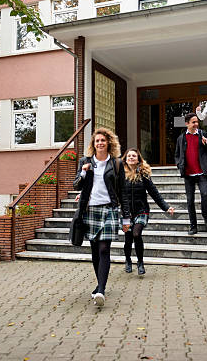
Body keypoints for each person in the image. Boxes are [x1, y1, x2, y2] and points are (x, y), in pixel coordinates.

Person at [73, 127, 130, 307]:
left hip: (110, 210)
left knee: (104, 249)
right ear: (93, 144)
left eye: (103, 140)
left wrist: (126, 218)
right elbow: (76, 186)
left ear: (108, 143)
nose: (100, 143)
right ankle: (100, 284)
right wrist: (83, 172)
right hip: (90, 210)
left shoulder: (116, 164)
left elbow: (123, 191)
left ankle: (101, 290)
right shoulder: (85, 161)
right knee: (95, 251)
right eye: (97, 141)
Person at [121, 148, 175, 275]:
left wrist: (166, 207)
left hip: (141, 211)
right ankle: (128, 260)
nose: (131, 158)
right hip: (126, 213)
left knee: (136, 234)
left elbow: (154, 192)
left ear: (138, 159)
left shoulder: (143, 174)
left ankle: (140, 262)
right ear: (125, 159)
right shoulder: (121, 175)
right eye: (129, 156)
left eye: (134, 156)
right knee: (128, 239)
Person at [174, 112, 207, 235]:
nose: (196, 124)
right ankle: (193, 225)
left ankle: (205, 215)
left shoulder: (203, 135)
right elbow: (177, 154)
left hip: (202, 172)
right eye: (193, 122)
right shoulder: (181, 138)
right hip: (188, 174)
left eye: (197, 122)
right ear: (187, 124)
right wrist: (179, 165)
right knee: (190, 201)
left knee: (205, 194)